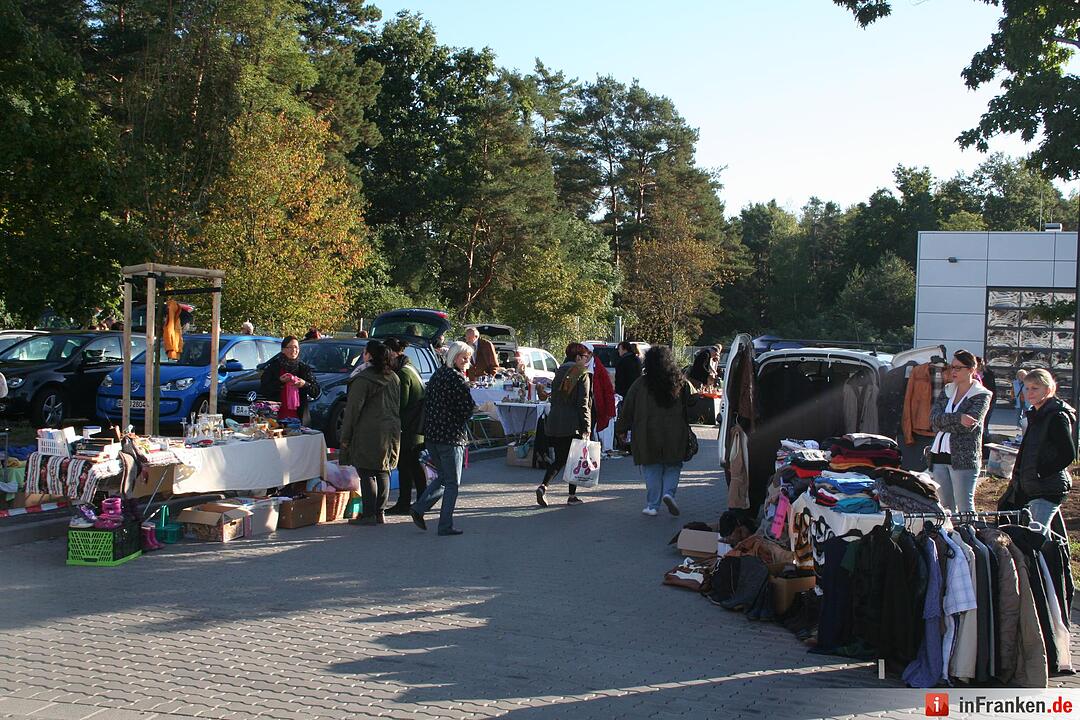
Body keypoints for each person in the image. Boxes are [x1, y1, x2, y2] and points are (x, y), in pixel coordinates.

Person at [615, 345, 693, 517]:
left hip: (647, 433)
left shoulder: (640, 384)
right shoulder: (679, 383)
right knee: (673, 466)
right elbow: (692, 406)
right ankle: (669, 494)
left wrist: (621, 430)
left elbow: (627, 408)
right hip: (675, 433)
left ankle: (652, 505)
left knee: (652, 468)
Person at [410, 341, 476, 536]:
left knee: (444, 477)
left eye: (468, 358)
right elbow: (467, 408)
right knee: (452, 483)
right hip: (451, 437)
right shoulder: (457, 379)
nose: (467, 361)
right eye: (464, 357)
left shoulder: (438, 374)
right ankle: (445, 525)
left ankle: (419, 508)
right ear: (453, 357)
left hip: (432, 435)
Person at [1000, 369, 1077, 530]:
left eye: (1035, 388)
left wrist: (1041, 472)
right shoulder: (1036, 414)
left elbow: (1068, 453)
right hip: (1032, 486)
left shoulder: (1056, 416)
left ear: (1048, 390)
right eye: (1027, 388)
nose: (1029, 393)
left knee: (1035, 535)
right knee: (1040, 535)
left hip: (1047, 488)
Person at [340, 340, 401, 526]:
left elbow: (352, 410)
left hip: (368, 430)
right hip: (390, 430)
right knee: (383, 470)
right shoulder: (394, 378)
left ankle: (368, 514)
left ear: (369, 356)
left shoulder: (364, 379)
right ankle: (379, 512)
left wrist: (346, 437)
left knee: (366, 471)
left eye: (364, 352)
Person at [928, 349, 993, 513]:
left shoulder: (982, 395)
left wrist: (947, 420)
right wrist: (958, 418)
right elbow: (934, 419)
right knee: (945, 508)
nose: (953, 371)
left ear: (971, 370)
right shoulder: (948, 390)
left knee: (965, 509)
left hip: (963, 458)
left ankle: (971, 537)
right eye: (952, 367)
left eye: (958, 368)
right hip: (939, 456)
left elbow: (969, 424)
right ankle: (949, 538)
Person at [535, 342, 592, 507]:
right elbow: (583, 403)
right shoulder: (581, 373)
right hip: (572, 422)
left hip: (555, 421)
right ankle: (572, 496)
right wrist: (587, 427)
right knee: (574, 460)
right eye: (585, 357)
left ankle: (543, 486)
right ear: (578, 357)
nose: (586, 361)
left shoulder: (558, 372)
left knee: (560, 459)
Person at [383, 338, 426, 515]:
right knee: (413, 465)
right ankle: (421, 500)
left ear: (393, 353)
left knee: (407, 465)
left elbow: (400, 404)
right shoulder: (411, 367)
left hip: (410, 427)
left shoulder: (403, 374)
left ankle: (405, 502)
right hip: (417, 426)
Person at [259, 336, 320, 420]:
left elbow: (316, 391)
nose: (294, 350)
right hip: (276, 416)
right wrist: (280, 381)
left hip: (299, 417)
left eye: (296, 347)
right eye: (290, 347)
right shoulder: (274, 367)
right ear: (283, 350)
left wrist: (304, 384)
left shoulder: (303, 368)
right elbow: (264, 389)